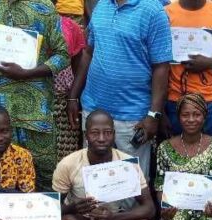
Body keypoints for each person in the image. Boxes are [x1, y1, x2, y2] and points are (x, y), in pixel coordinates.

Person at [66, 0, 172, 178]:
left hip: (132, 117)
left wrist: (154, 115)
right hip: (93, 110)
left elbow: (161, 67)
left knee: (129, 183)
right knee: (94, 177)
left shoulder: (153, 11)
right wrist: (73, 96)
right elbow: (88, 52)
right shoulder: (102, 6)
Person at [0, 0, 70, 192]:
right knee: (3, 178)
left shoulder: (44, 8)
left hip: (38, 114)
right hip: (0, 116)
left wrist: (27, 73)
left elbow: (63, 55)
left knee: (44, 176)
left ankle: (46, 219)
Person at [53, 110, 156, 220]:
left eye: (107, 133)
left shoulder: (127, 165)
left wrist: (114, 217)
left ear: (114, 135)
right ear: (86, 135)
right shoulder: (68, 164)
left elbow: (149, 208)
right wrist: (73, 207)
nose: (101, 138)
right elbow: (50, 209)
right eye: (95, 133)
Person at [163, 0, 212, 138]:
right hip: (175, 101)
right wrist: (160, 113)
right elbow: (156, 64)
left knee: (211, 156)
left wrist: (208, 63)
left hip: (210, 102)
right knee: (177, 156)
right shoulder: (165, 13)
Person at [53, 10, 86, 160]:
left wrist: (73, 98)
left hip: (62, 102)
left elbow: (79, 66)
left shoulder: (70, 27)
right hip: (28, 100)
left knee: (65, 159)